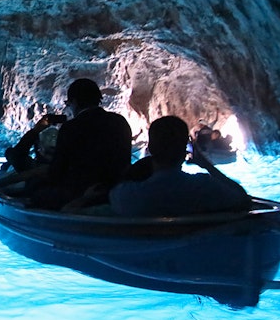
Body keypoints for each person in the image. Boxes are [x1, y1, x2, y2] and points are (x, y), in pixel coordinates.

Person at [110, 115, 251, 217]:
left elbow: (113, 194)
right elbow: (242, 198)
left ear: (150, 148)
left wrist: (133, 171)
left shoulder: (127, 195)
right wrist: (207, 165)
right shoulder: (204, 187)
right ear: (185, 150)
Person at [34, 78, 133, 210]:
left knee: (36, 193)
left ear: (74, 101)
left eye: (68, 103)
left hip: (78, 193)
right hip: (116, 190)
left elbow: (56, 172)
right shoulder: (120, 121)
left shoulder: (71, 128)